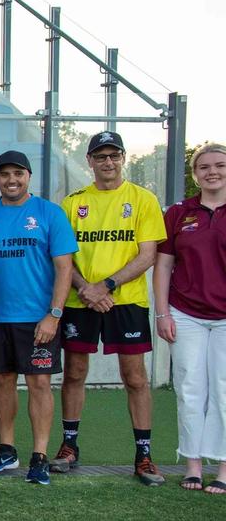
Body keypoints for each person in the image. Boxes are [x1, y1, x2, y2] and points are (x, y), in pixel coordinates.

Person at [56, 131, 166, 486]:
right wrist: (86, 288)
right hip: (79, 299)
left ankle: (144, 455)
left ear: (122, 158)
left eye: (113, 155)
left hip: (126, 301)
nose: (107, 162)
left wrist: (106, 286)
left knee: (135, 377)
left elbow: (147, 254)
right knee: (74, 373)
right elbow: (62, 257)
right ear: (89, 161)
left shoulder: (143, 199)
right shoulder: (73, 203)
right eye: (100, 156)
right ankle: (69, 447)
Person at [0, 150, 76, 486]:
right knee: (2, 380)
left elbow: (64, 269)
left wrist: (53, 315)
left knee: (40, 383)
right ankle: (7, 448)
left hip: (38, 318)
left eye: (18, 174)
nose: (11, 180)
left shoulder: (49, 214)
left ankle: (39, 455)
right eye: (4, 174)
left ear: (28, 176)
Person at [154, 143, 226, 494]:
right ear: (195, 173)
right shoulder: (180, 212)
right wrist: (162, 311)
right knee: (189, 388)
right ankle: (193, 464)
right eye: (204, 167)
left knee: (225, 390)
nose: (212, 172)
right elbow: (164, 264)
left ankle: (224, 469)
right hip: (185, 313)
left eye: (220, 166)